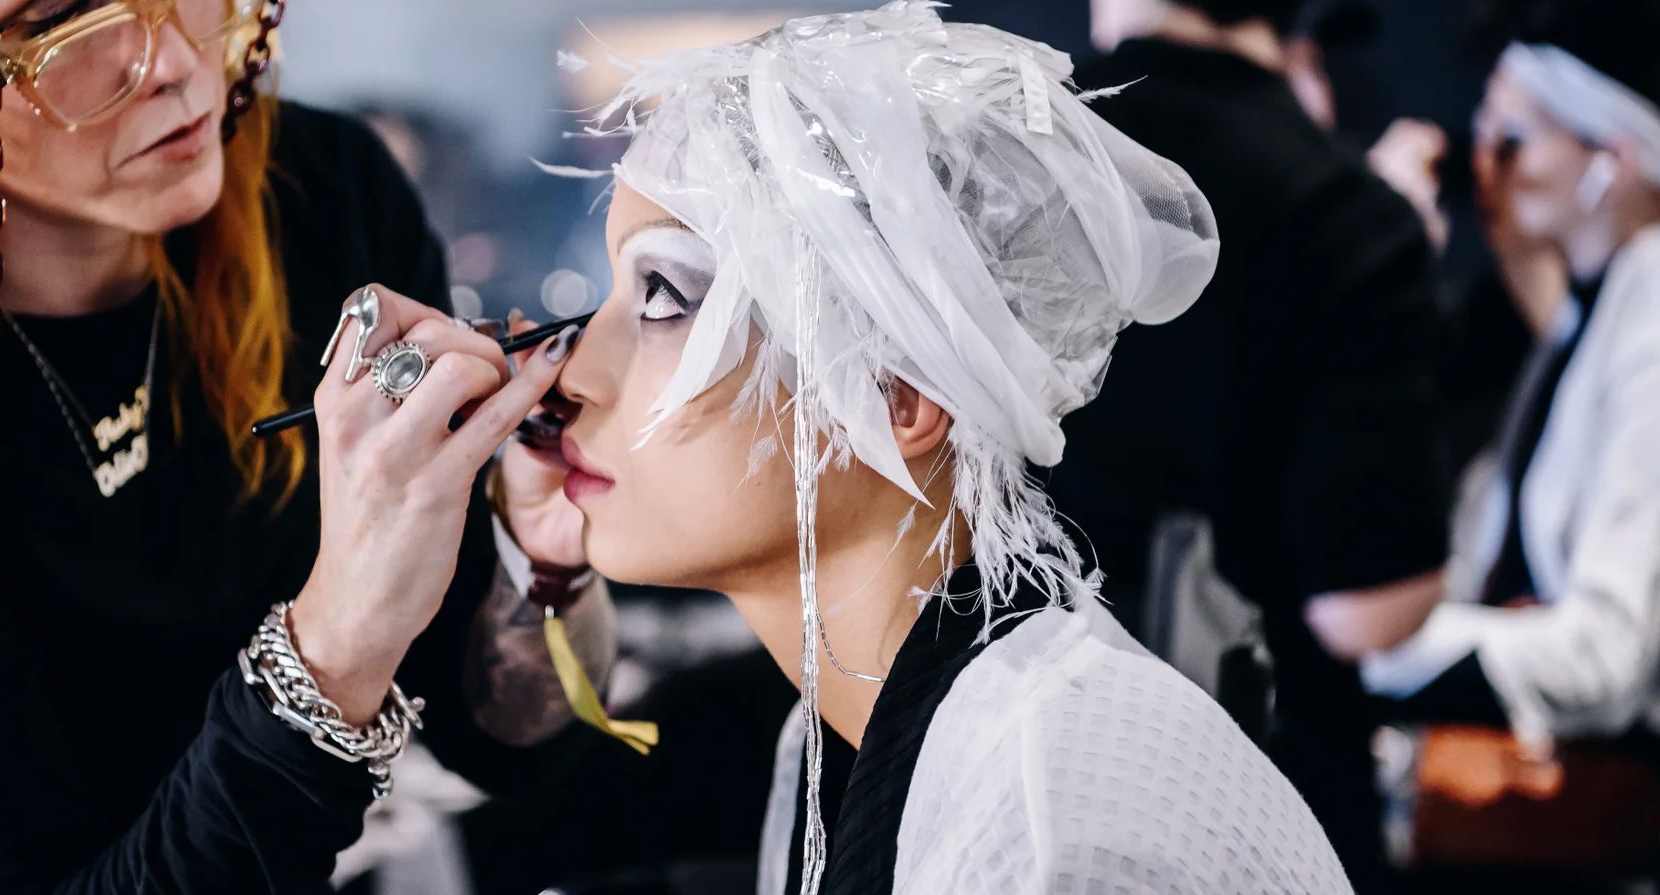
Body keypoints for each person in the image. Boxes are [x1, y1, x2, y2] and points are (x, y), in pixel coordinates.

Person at [0, 0, 606, 891]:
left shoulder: (319, 195)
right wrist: (336, 645)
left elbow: (508, 747)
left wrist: (541, 563)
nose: (167, 62)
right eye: (60, 23)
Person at [547, 5, 1348, 893]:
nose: (573, 368)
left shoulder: (1056, 844)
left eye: (665, 297)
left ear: (897, 393)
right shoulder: (853, 726)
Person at [1029, 0, 1454, 882]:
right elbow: (1369, 610)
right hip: (1254, 799)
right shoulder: (1351, 219)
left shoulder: (999, 154)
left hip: (1004, 769)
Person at [1362, 1, 1660, 887]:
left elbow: (1612, 652)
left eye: (1513, 141)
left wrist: (1392, 647)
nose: (1485, 167)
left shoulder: (1650, 321)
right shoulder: (1585, 317)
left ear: (1610, 161)